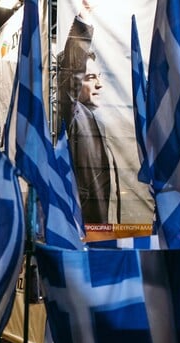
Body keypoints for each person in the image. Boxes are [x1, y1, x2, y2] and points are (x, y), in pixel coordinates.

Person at [58, 0, 121, 224]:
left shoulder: (96, 121)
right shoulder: (72, 114)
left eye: (99, 78)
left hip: (103, 230)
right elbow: (70, 74)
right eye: (91, 78)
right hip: (83, 226)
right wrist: (83, 21)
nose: (99, 85)